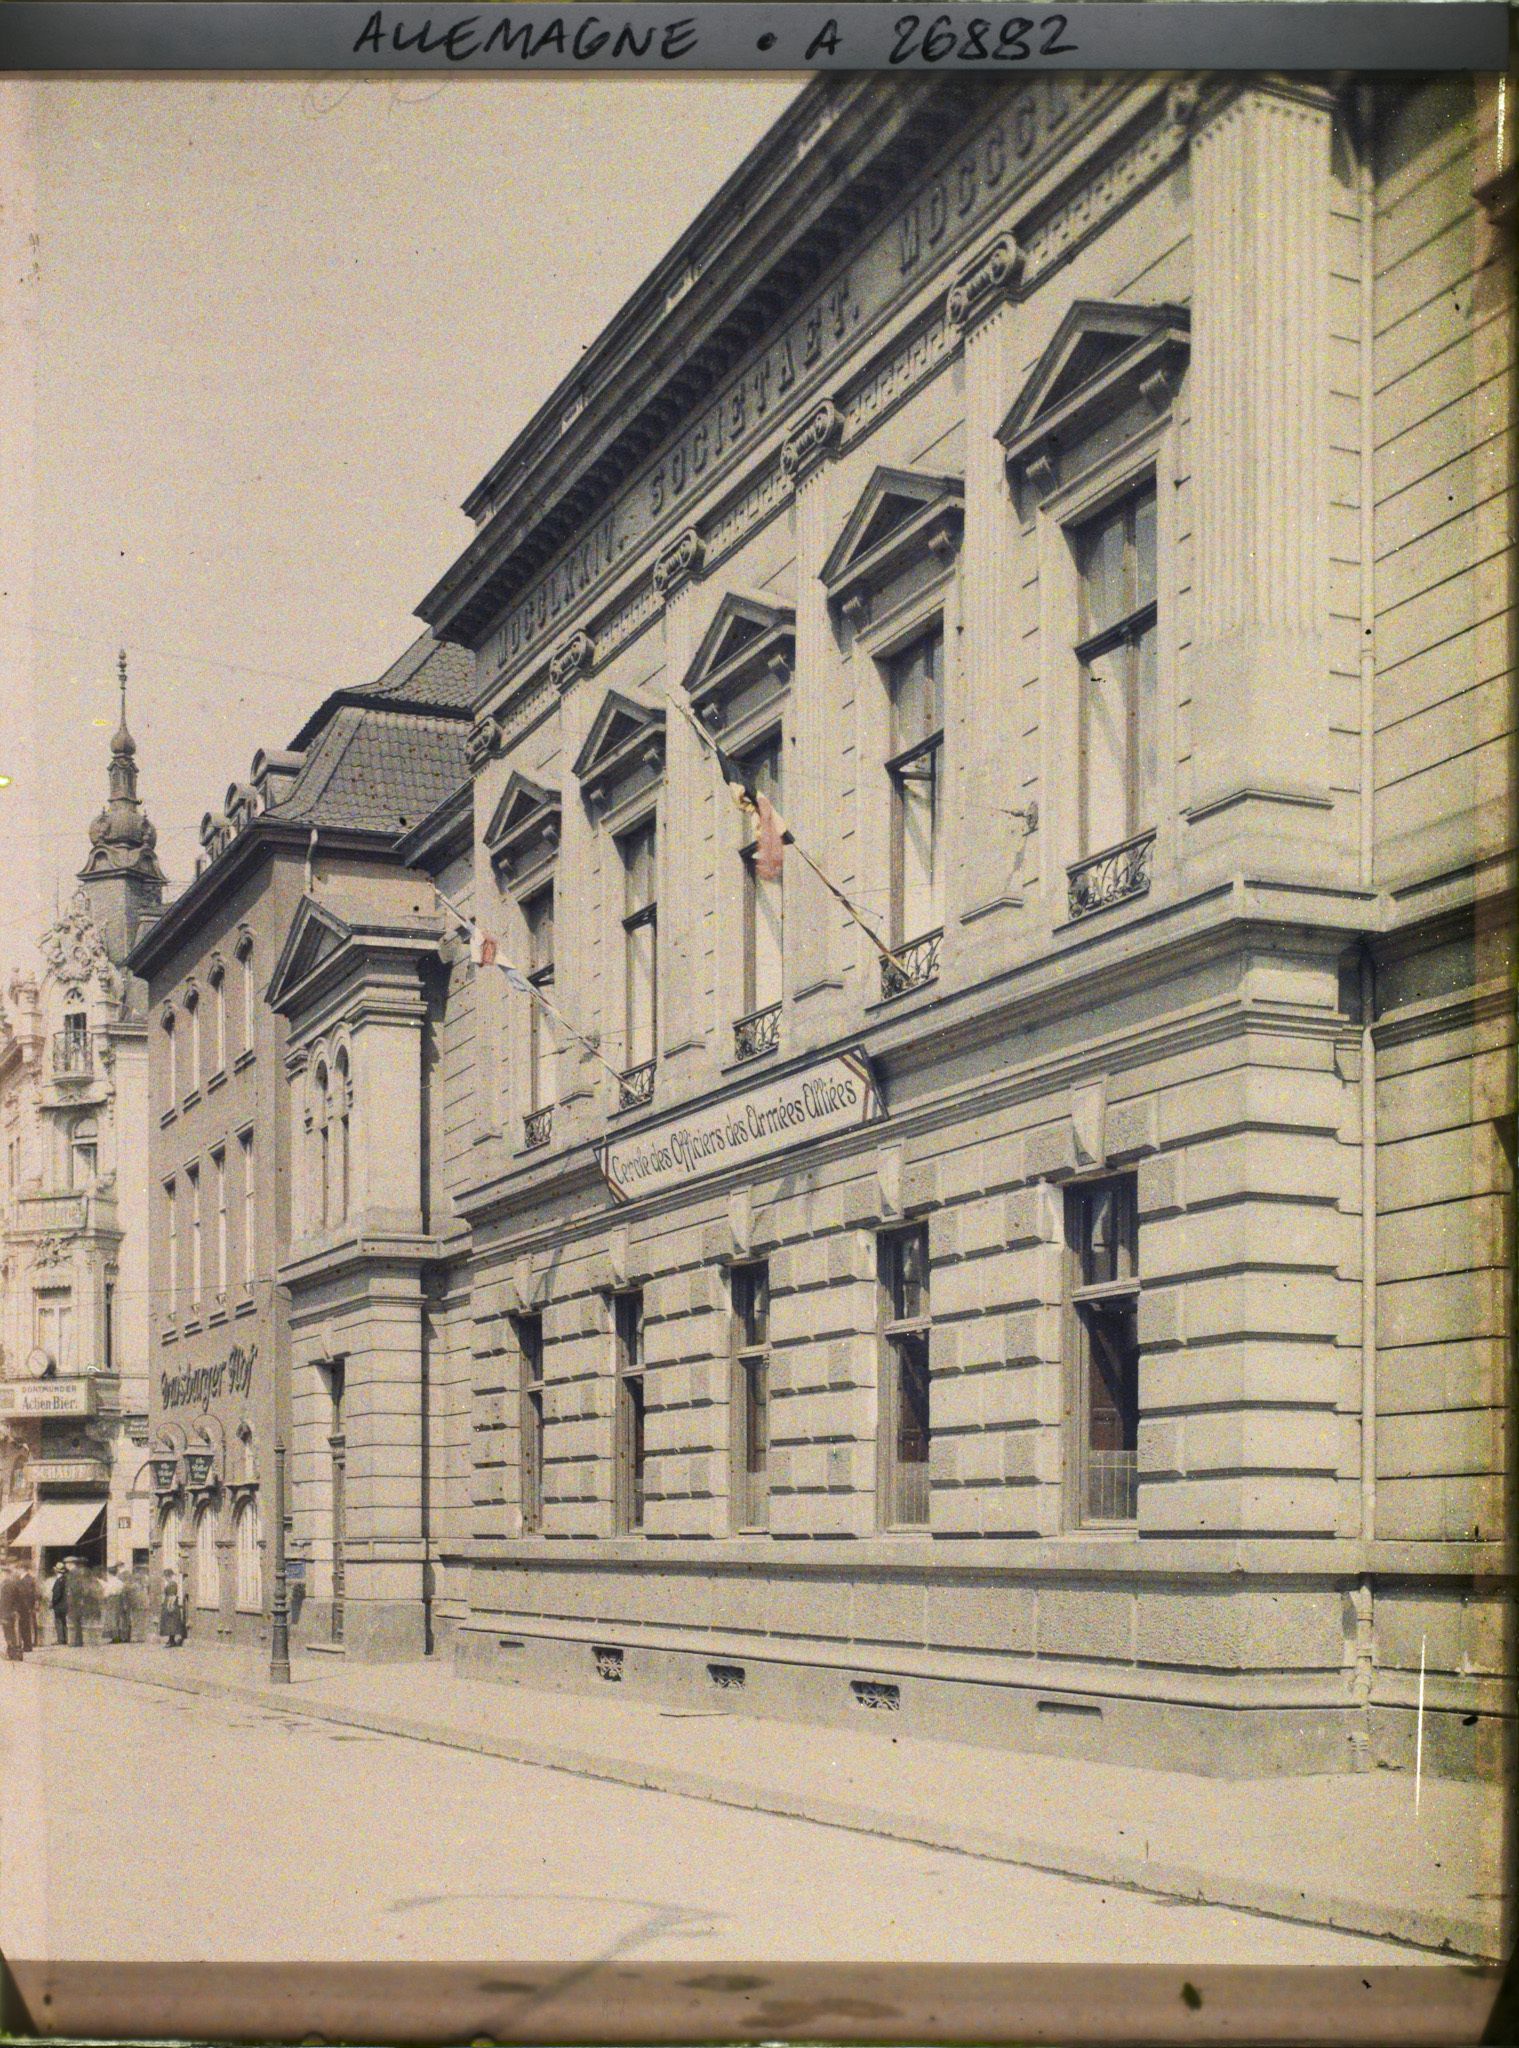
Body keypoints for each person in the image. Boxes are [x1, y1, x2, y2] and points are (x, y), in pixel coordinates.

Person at [0, 1566, 24, 1661]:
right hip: (9, 1612)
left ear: (5, 1573)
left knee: (10, 1633)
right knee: (11, 1633)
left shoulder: (7, 1585)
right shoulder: (10, 1584)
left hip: (7, 1613)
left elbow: (6, 1601)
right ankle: (14, 1653)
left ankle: (14, 1653)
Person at [159, 1569, 186, 1648]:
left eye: (166, 1576)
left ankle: (172, 1640)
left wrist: (170, 1605)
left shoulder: (172, 1584)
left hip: (171, 1604)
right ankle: (170, 1640)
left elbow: (173, 1596)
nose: (165, 1578)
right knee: (169, 1623)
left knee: (171, 1622)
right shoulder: (170, 1584)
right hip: (168, 1603)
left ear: (168, 1576)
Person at [101, 1565, 127, 1643]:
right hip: (119, 1600)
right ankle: (121, 1637)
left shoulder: (110, 1582)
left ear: (109, 1573)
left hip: (112, 1600)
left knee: (113, 1619)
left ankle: (116, 1639)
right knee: (119, 1618)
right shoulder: (120, 1582)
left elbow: (106, 1593)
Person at [16, 1564, 38, 1653]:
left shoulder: (28, 1579)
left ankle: (27, 1646)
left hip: (25, 1606)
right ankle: (25, 1645)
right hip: (23, 1605)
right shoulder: (23, 1578)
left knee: (25, 1626)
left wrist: (30, 1606)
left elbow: (29, 1594)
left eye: (18, 1569)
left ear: (22, 1569)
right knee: (23, 1626)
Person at [49, 1562, 68, 1645]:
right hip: (64, 1605)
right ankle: (64, 1638)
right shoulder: (65, 1579)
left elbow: (57, 1594)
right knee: (63, 1622)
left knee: (58, 1622)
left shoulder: (59, 1580)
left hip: (59, 1605)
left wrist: (52, 1603)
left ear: (57, 1571)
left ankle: (60, 1639)